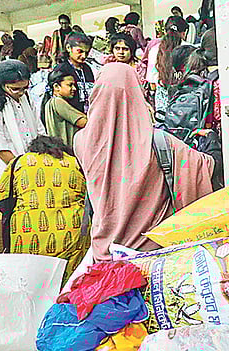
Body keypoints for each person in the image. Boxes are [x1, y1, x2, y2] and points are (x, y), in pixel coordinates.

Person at [74, 62, 215, 260]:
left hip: (104, 254)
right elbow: (206, 168)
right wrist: (211, 142)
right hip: (152, 255)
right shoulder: (160, 142)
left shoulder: (80, 141)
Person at [0, 135, 90, 277]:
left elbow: (1, 201)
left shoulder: (19, 162)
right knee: (69, 284)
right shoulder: (75, 163)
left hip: (26, 235)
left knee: (29, 282)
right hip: (71, 236)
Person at [0, 61, 44, 201]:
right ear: (1, 85)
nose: (21, 92)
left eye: (24, 88)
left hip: (31, 163)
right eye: (15, 89)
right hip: (7, 167)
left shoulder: (25, 97)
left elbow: (38, 128)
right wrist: (22, 170)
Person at [146, 15, 189, 113]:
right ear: (184, 33)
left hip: (163, 105)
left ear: (165, 32)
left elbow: (152, 83)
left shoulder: (154, 50)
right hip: (187, 102)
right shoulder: (190, 49)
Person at [41, 66, 89, 146]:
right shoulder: (58, 102)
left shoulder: (51, 103)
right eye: (70, 85)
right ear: (56, 87)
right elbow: (83, 123)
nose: (74, 88)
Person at [62, 32, 96, 110]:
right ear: (68, 48)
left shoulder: (87, 68)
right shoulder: (62, 70)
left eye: (86, 53)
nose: (84, 56)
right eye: (80, 51)